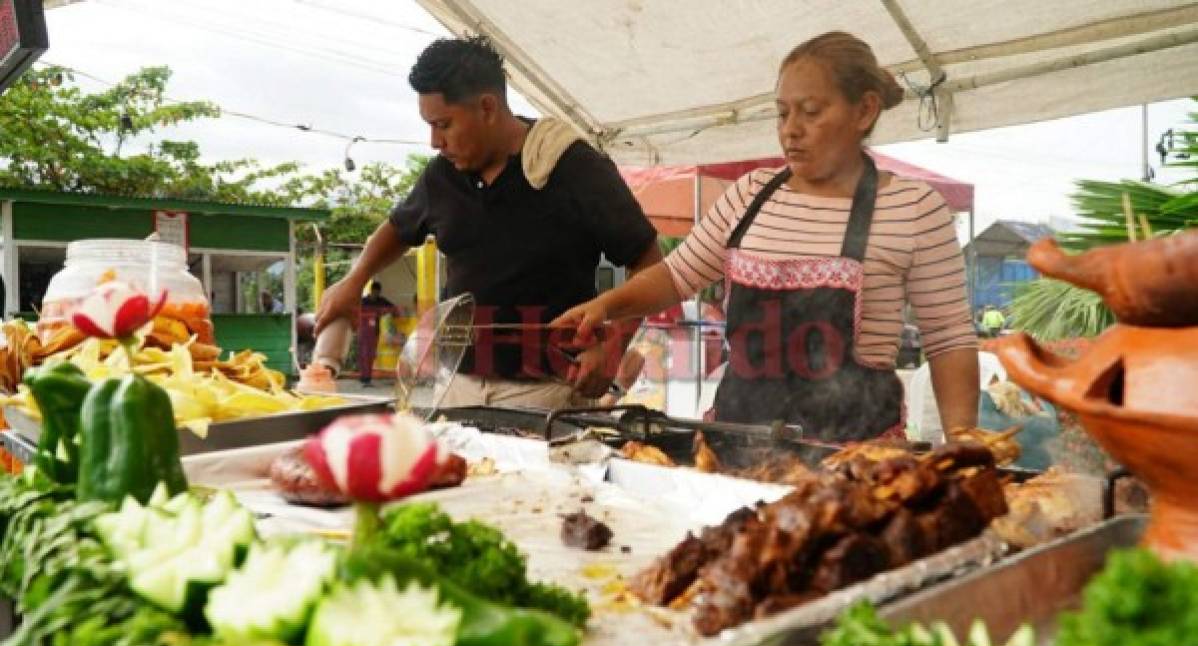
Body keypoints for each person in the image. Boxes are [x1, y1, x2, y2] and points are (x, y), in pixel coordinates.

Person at [553, 32, 980, 443]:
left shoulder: (914, 208)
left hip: (856, 466)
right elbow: (673, 277)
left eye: (810, 111)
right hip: (738, 448)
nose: (790, 129)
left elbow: (949, 339)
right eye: (783, 113)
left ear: (864, 111)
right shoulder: (750, 193)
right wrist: (605, 305)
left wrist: (961, 440)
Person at [315, 36, 660, 408]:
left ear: (487, 107)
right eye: (430, 126)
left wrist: (614, 344)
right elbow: (397, 229)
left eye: (444, 125)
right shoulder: (441, 177)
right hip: (456, 386)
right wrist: (354, 280)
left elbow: (650, 262)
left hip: (547, 392)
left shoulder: (572, 166)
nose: (434, 141)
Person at [357, 281, 396, 386]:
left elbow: (393, 308)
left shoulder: (381, 301)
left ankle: (367, 377)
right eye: (375, 292)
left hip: (375, 332)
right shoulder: (363, 301)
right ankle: (364, 378)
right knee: (364, 354)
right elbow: (357, 312)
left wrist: (386, 312)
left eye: (378, 293)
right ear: (372, 290)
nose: (376, 295)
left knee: (371, 355)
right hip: (364, 331)